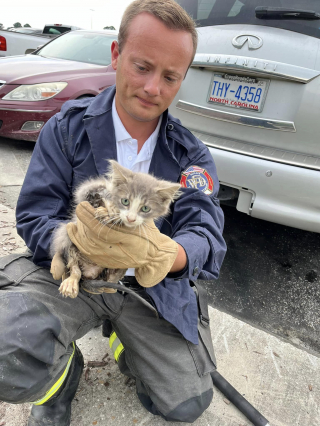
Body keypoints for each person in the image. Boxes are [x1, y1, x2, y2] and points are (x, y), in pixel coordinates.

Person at [0, 0, 227, 424]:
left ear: (182, 79)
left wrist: (169, 257)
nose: (153, 87)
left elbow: (207, 232)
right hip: (75, 272)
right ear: (116, 55)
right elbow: (33, 214)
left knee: (184, 404)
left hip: (144, 290)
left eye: (170, 76)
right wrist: (77, 241)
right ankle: (61, 374)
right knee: (5, 351)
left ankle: (122, 339)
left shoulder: (191, 155)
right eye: (142, 66)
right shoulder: (66, 128)